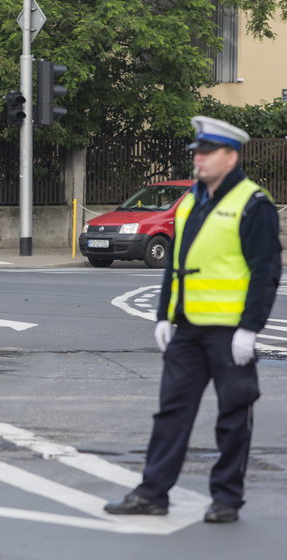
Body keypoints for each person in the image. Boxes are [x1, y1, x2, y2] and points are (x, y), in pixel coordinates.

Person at [104, 116, 281, 523]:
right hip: (187, 330)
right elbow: (177, 266)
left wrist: (250, 329)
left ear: (230, 156)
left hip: (230, 333)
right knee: (172, 412)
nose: (198, 160)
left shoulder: (253, 204)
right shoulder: (191, 201)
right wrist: (164, 315)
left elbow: (266, 271)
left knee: (233, 415)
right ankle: (153, 493)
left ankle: (227, 499)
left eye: (206, 153)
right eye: (196, 152)